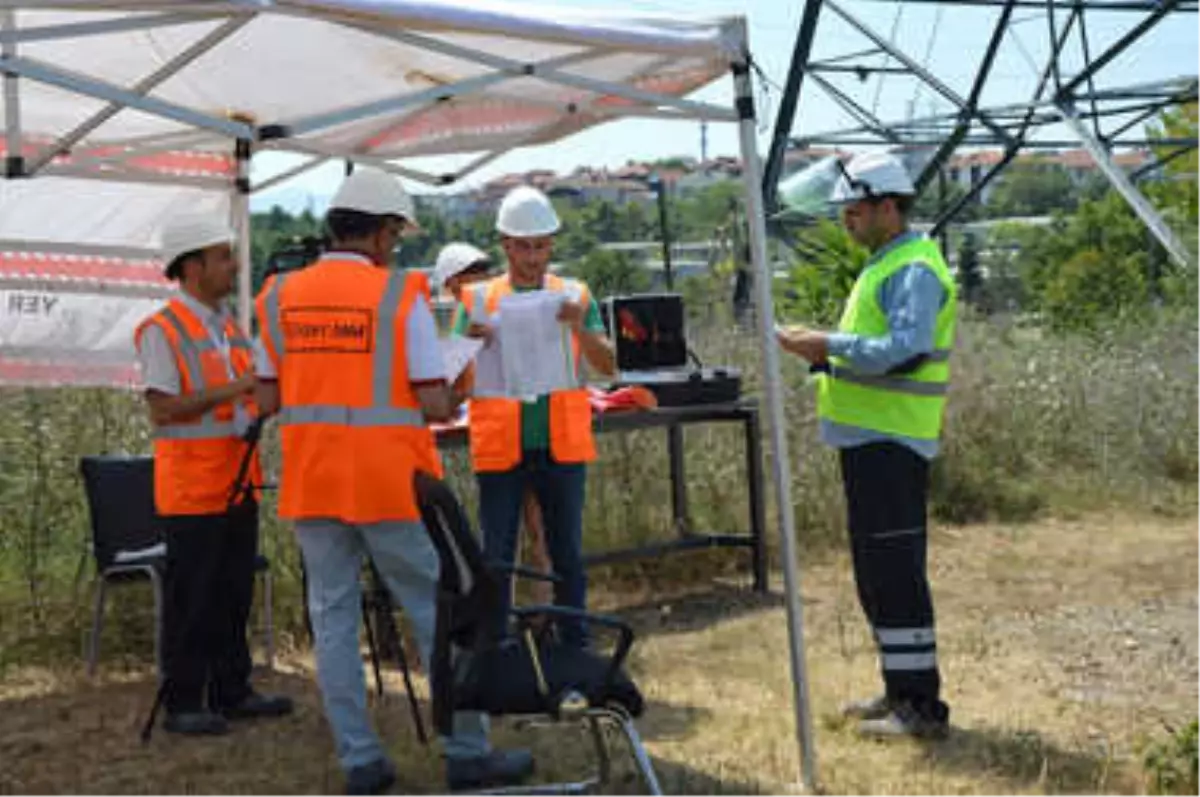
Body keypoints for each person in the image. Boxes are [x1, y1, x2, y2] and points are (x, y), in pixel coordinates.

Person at [253, 168, 534, 796]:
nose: (395, 248)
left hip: (314, 481)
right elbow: (434, 405)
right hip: (390, 483)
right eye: (395, 236)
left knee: (331, 621)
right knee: (441, 613)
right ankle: (466, 753)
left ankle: (360, 761)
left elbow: (267, 395)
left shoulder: (274, 297)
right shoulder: (398, 298)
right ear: (380, 235)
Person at [776, 152, 956, 740]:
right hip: (870, 441)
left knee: (897, 575)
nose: (846, 220)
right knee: (877, 575)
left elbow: (904, 348)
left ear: (886, 205)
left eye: (854, 210)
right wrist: (827, 348)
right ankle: (899, 689)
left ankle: (920, 708)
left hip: (892, 442)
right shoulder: (888, 262)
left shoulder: (913, 267)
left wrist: (825, 345)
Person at [133, 213, 293, 736]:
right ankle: (183, 701)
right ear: (193, 265)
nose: (234, 265)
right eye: (224, 256)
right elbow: (164, 409)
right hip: (192, 491)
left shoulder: (228, 327)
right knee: (192, 599)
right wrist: (237, 389)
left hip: (238, 481)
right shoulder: (162, 331)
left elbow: (246, 395)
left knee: (232, 594)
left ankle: (232, 690)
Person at [453, 186, 616, 649]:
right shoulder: (476, 299)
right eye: (523, 246)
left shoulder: (575, 294)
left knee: (566, 550)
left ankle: (574, 641)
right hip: (501, 443)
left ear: (552, 244)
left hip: (560, 442)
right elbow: (457, 382)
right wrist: (472, 344)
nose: (532, 256)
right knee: (497, 553)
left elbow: (608, 366)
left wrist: (580, 325)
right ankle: (496, 643)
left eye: (541, 245)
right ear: (504, 243)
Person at [434, 242, 554, 606]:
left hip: (516, 438)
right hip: (517, 436)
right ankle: (536, 614)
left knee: (521, 536)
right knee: (526, 535)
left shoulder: (486, 309)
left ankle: (532, 615)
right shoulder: (484, 311)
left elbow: (458, 386)